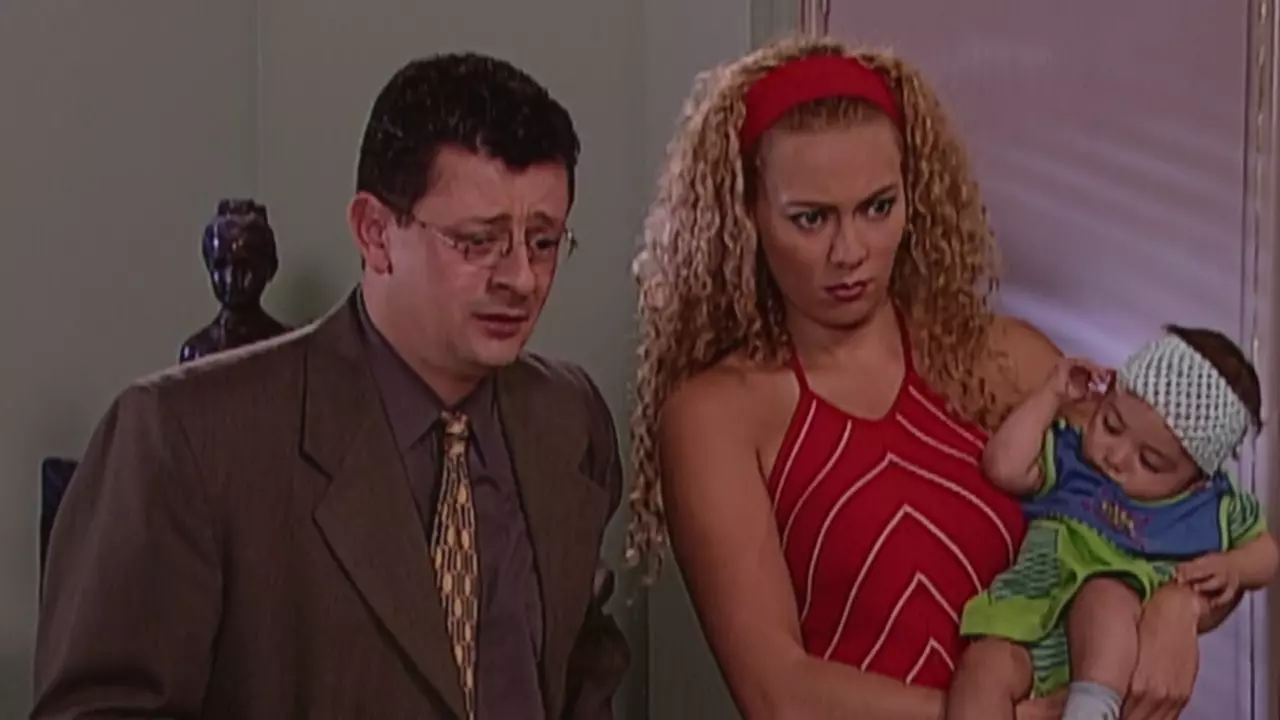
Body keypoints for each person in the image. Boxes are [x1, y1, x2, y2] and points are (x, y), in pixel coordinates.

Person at [626, 35, 1235, 720]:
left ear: (913, 200)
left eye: (877, 207)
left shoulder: (1007, 364)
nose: (849, 252)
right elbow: (778, 694)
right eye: (811, 219)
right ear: (747, 217)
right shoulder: (716, 416)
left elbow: (1177, 511)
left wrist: (1179, 609)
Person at [33, 52, 629, 720]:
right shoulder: (185, 439)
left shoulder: (569, 419)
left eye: (543, 242)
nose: (520, 278)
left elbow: (584, 667)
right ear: (375, 234)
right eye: (478, 241)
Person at [949, 327, 1278, 720]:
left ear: (1197, 480)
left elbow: (1266, 553)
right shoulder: (1072, 457)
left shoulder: (1213, 504)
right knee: (982, 667)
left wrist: (1234, 566)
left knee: (1105, 594)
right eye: (1111, 425)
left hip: (1108, 656)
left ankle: (1091, 711)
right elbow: (1002, 467)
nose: (1116, 457)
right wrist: (1051, 395)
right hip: (1027, 620)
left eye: (1149, 462)